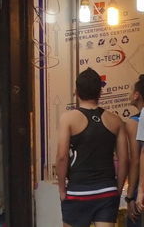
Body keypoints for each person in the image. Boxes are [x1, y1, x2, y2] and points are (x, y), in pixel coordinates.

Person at [56, 67, 129, 227]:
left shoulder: (68, 119)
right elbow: (124, 160)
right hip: (106, 191)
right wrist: (117, 189)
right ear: (100, 91)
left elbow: (62, 157)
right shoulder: (116, 121)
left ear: (76, 91)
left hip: (78, 191)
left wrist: (62, 190)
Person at [126, 74, 144, 227]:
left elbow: (136, 160)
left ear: (137, 95)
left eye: (132, 90)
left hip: (140, 187)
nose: (130, 94)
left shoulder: (134, 122)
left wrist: (130, 197)